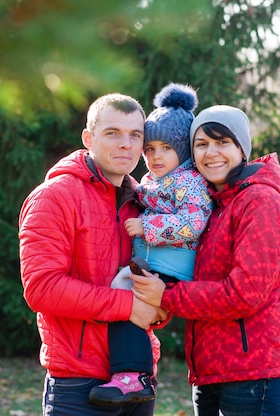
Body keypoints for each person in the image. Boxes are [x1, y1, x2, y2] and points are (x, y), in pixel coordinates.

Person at [131, 105, 280, 416]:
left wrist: (168, 296)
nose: (211, 153)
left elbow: (244, 293)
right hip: (210, 369)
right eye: (201, 144)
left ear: (242, 149)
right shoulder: (213, 204)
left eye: (223, 142)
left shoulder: (259, 201)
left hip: (252, 373)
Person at [18, 92, 167, 416]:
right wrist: (129, 307)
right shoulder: (54, 198)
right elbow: (42, 288)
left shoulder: (147, 204)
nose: (125, 144)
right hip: (77, 381)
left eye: (135, 135)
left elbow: (160, 276)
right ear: (89, 138)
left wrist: (160, 305)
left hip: (139, 375)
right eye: (112, 133)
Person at [89, 83, 213, 406]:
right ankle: (129, 372)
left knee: (128, 304)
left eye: (166, 149)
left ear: (183, 150)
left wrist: (146, 225)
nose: (156, 157)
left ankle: (135, 375)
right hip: (152, 264)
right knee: (122, 300)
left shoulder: (190, 182)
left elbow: (193, 223)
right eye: (151, 149)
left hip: (172, 268)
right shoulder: (152, 181)